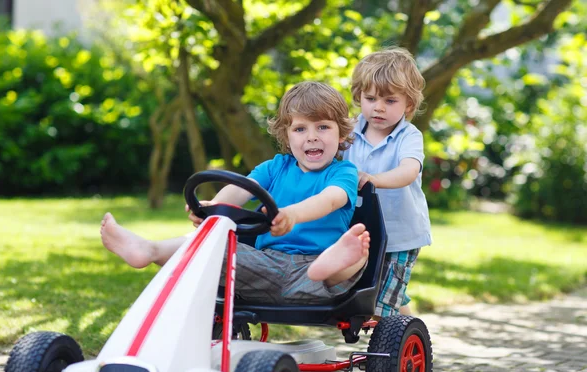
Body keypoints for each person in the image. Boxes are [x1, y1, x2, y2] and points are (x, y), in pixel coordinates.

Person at [101, 81, 370, 304]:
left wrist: (292, 215)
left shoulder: (342, 171)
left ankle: (332, 266)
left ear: (341, 131)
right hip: (266, 266)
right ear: (286, 135)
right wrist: (212, 209)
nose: (311, 137)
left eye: (322, 127)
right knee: (210, 243)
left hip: (317, 270)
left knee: (360, 254)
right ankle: (149, 250)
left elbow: (329, 200)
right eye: (300, 129)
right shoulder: (275, 167)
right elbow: (239, 190)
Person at [343, 46, 432, 318]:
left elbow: (408, 170)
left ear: (409, 105)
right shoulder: (348, 131)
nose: (378, 107)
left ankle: (389, 352)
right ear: (359, 96)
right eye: (370, 98)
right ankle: (412, 334)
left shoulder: (409, 136)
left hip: (399, 236)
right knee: (372, 292)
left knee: (380, 309)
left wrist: (374, 179)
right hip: (358, 230)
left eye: (390, 101)